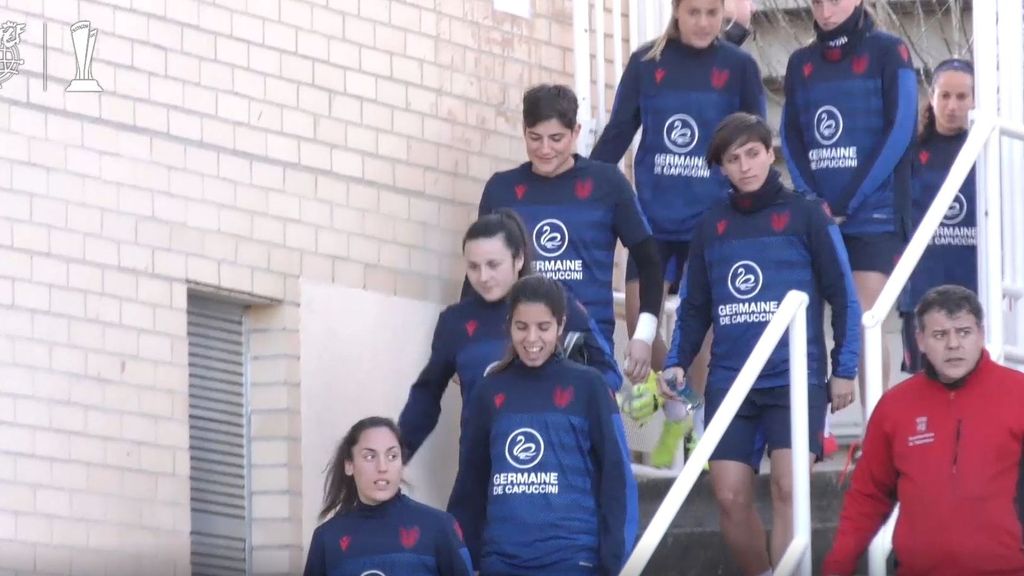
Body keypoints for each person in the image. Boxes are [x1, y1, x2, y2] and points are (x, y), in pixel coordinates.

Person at [662, 113, 861, 575]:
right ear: (723, 169)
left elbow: (843, 294)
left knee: (789, 488)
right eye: (734, 159)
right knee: (730, 496)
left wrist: (844, 366)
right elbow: (693, 307)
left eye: (753, 153)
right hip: (731, 381)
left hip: (797, 378)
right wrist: (676, 362)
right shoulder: (711, 225)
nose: (746, 166)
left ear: (770, 153)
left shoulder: (807, 214)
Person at [590, 0, 767, 468]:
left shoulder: (740, 67)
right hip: (652, 222)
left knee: (703, 328)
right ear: (676, 11)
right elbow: (618, 132)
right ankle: (678, 404)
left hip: (712, 221)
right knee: (637, 323)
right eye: (695, 12)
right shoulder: (647, 62)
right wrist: (580, 182)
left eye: (713, 12)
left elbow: (756, 143)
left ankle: (697, 422)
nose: (705, 22)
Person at [823, 285, 1024, 575]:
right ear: (919, 340)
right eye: (940, 335)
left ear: (981, 334)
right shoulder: (895, 406)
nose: (953, 344)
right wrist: (837, 565)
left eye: (964, 332)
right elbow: (867, 496)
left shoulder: (1017, 393)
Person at [448, 275, 638, 575]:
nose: (532, 339)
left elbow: (617, 480)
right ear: (509, 324)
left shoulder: (591, 387)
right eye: (521, 327)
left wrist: (613, 562)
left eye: (544, 327)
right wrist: (459, 562)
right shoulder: (489, 391)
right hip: (501, 562)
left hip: (573, 561)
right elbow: (469, 487)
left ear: (561, 325)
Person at [477, 84, 664, 386]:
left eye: (556, 138)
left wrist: (643, 335)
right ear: (524, 131)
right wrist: (468, 344)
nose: (545, 149)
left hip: (588, 348)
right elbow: (479, 273)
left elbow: (650, 260)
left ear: (576, 132)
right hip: (517, 345)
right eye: (535, 138)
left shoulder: (607, 184)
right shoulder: (502, 189)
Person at [399, 210, 621, 462]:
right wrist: (396, 456)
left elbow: (607, 372)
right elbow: (426, 397)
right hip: (482, 465)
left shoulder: (559, 304)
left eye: (493, 265)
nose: (482, 277)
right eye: (473, 267)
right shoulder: (455, 322)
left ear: (518, 259)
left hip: (557, 462)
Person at [781, 0, 917, 404]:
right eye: (817, 3)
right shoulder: (800, 62)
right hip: (819, 213)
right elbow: (790, 138)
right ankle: (813, 428)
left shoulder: (890, 51)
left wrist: (852, 197)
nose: (825, 12)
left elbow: (901, 128)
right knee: (805, 321)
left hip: (873, 213)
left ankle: (876, 428)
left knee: (864, 317)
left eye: (834, 1)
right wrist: (813, 199)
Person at [303, 417, 473, 576]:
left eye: (392, 456)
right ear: (349, 465)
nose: (382, 467)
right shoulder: (327, 538)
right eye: (370, 457)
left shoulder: (439, 527)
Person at [899, 58, 977, 373]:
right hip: (922, 291)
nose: (952, 105)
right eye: (945, 95)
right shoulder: (910, 151)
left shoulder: (988, 147)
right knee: (925, 388)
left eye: (962, 97)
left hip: (975, 289)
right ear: (931, 97)